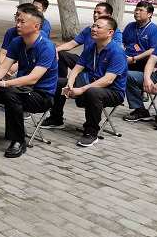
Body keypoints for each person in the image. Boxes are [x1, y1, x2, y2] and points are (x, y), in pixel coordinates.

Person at [0, 7, 58, 158]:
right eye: (18, 20)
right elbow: (4, 67)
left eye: (23, 22)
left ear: (36, 26)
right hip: (21, 89)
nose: (18, 24)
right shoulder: (17, 42)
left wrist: (1, 85)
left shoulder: (47, 47)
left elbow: (33, 78)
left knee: (10, 95)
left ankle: (18, 140)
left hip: (41, 95)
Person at [42, 16, 128, 147]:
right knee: (59, 82)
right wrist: (70, 84)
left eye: (98, 27)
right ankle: (56, 118)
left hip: (113, 91)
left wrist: (82, 89)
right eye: (93, 26)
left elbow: (108, 80)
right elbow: (77, 68)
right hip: (90, 84)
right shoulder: (92, 48)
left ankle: (91, 132)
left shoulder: (116, 52)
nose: (94, 29)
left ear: (110, 33)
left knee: (93, 92)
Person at [55, 2, 122, 78]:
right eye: (94, 12)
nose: (95, 15)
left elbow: (114, 50)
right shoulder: (89, 30)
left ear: (108, 16)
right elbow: (72, 43)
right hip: (85, 62)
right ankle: (60, 80)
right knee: (61, 54)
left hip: (100, 67)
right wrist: (55, 50)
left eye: (99, 13)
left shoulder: (115, 33)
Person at [122, 1, 157, 71]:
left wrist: (134, 59)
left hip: (141, 60)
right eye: (136, 10)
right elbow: (122, 42)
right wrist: (122, 53)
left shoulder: (156, 30)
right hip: (125, 57)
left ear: (149, 14)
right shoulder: (130, 26)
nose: (137, 12)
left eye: (141, 10)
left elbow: (153, 49)